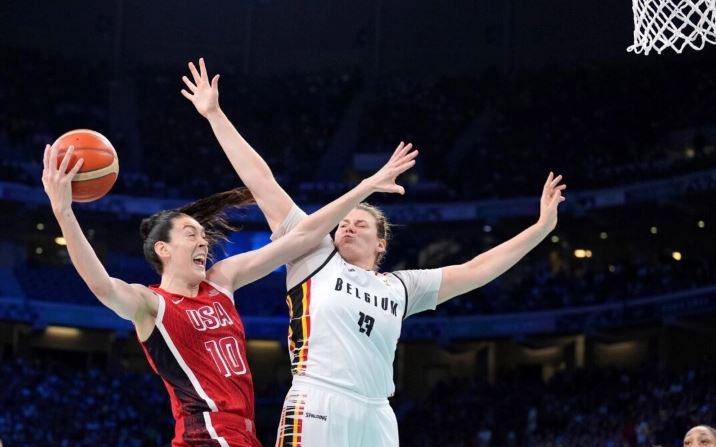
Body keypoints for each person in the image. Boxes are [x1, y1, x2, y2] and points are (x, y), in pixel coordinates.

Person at [182, 58, 566, 447]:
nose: (347, 225)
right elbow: (262, 182)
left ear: (382, 243)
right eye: (343, 222)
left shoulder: (401, 287)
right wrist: (215, 114)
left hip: (378, 414)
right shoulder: (314, 254)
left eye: (360, 223)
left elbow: (478, 269)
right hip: (318, 399)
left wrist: (540, 230)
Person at [41, 136, 417, 446]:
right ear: (163, 249)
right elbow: (100, 284)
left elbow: (302, 236)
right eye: (192, 235)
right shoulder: (150, 304)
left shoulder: (222, 281)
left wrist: (365, 187)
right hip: (204, 434)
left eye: (204, 236)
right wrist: (64, 212)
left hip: (243, 435)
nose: (204, 243)